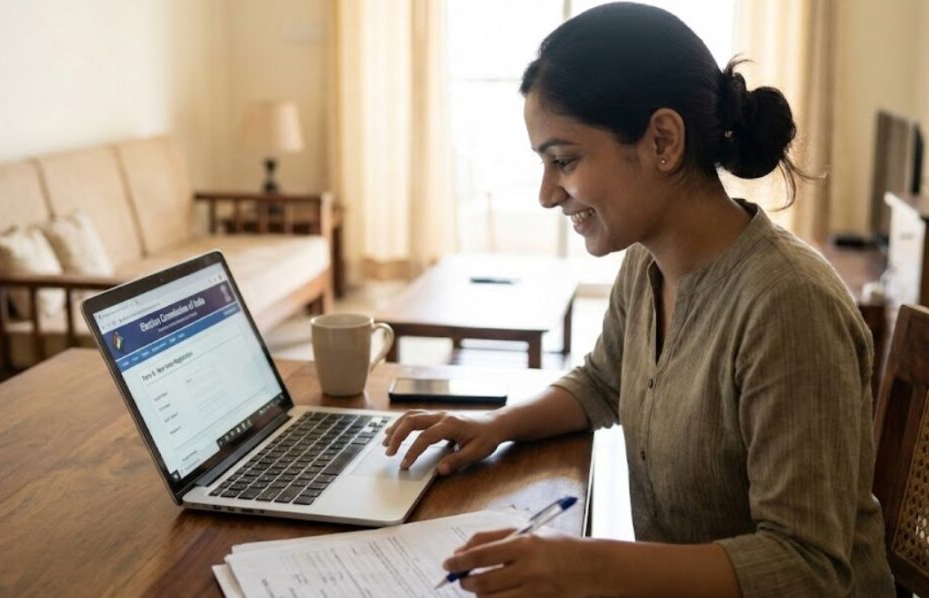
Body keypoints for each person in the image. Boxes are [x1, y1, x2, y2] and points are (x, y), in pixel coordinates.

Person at [382, 3, 895, 596]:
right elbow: (603, 382)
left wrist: (587, 564)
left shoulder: (789, 306)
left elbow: (807, 567)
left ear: (663, 140)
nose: (549, 194)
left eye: (564, 160)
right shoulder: (646, 263)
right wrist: (494, 426)